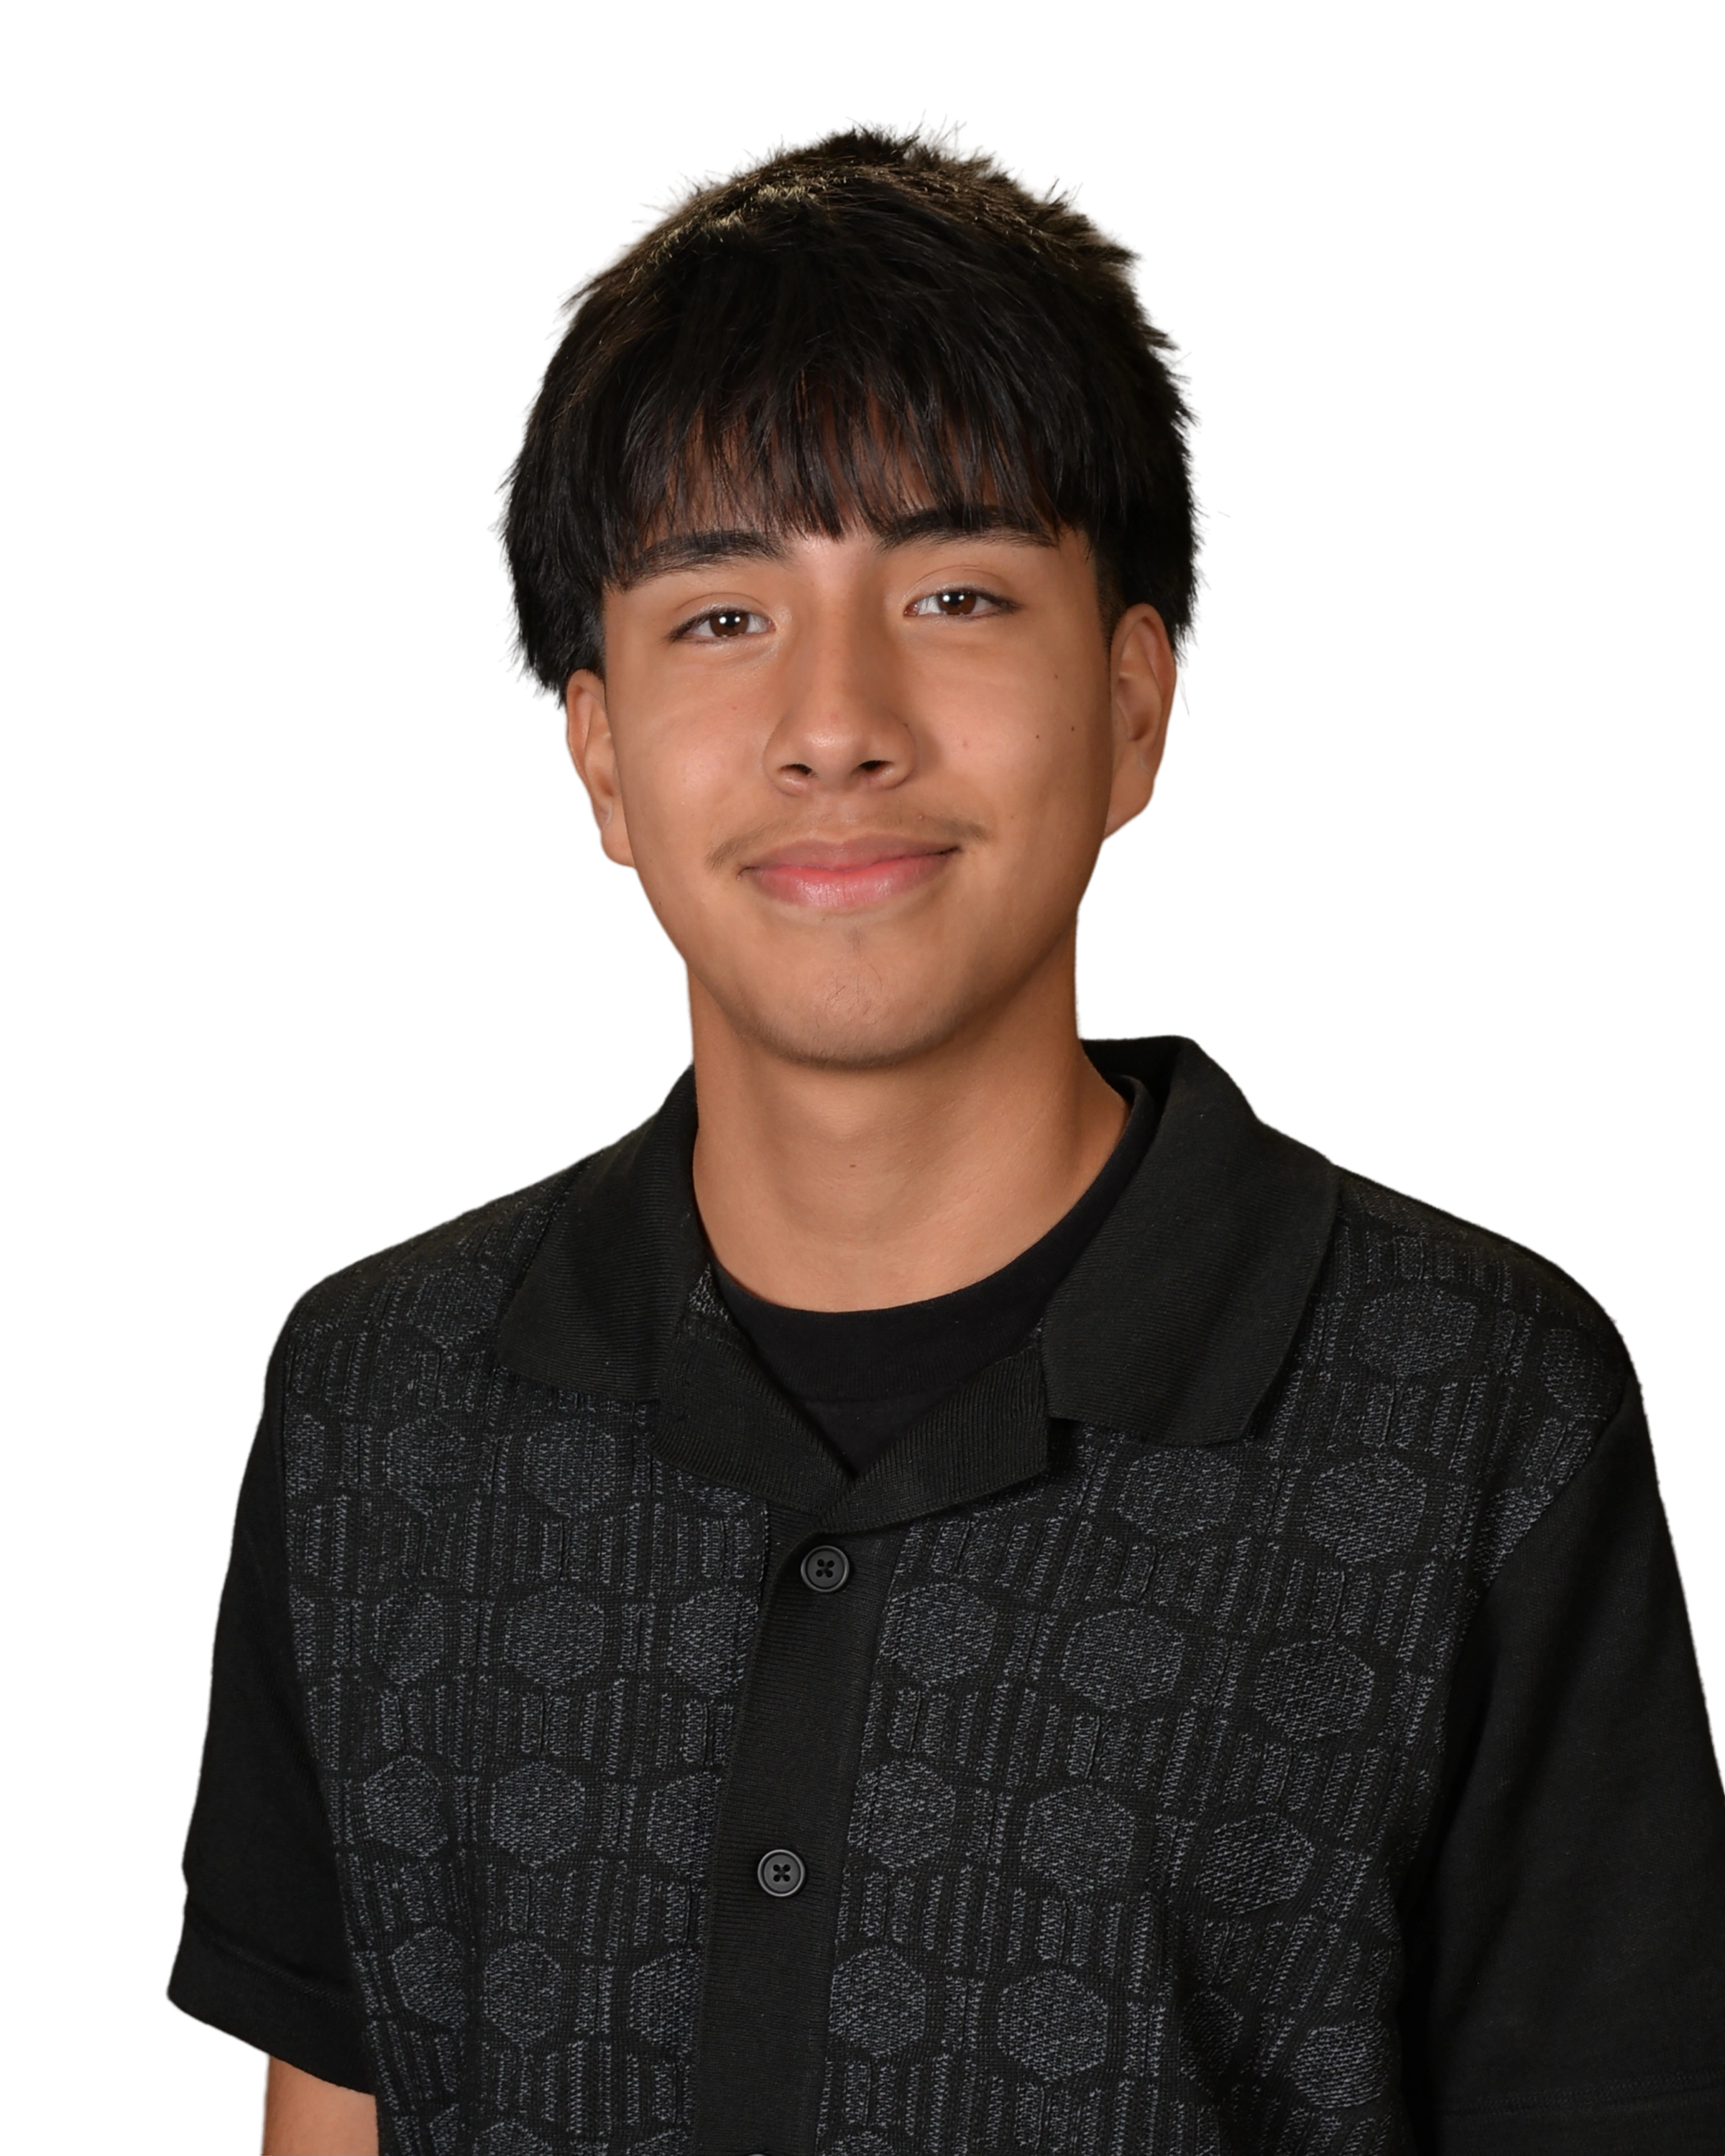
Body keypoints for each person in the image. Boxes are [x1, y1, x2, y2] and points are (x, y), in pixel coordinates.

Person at [165, 111, 1725, 2156]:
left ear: (1137, 705)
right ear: (599, 750)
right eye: (721, 614)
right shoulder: (378, 1405)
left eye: (959, 592)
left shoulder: (1478, 1412)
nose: (837, 723)